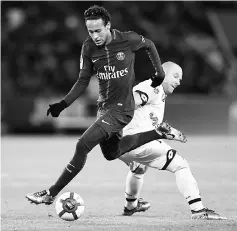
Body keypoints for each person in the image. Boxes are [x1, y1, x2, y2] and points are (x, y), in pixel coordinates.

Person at [26, 5, 186, 205]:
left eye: (98, 30)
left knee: (82, 145)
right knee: (112, 153)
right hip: (104, 108)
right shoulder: (88, 47)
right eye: (90, 31)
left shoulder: (127, 39)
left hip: (122, 109)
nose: (94, 36)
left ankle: (50, 193)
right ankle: (159, 133)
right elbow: (83, 80)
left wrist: (160, 73)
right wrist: (63, 103)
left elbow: (150, 44)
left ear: (108, 26)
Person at [118, 61, 227, 220]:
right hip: (137, 141)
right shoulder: (153, 86)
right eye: (175, 76)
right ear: (162, 73)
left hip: (123, 145)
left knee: (139, 168)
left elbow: (142, 115)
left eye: (180, 79)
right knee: (180, 165)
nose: (178, 81)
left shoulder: (158, 93)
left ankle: (131, 206)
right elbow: (130, 102)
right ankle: (198, 209)